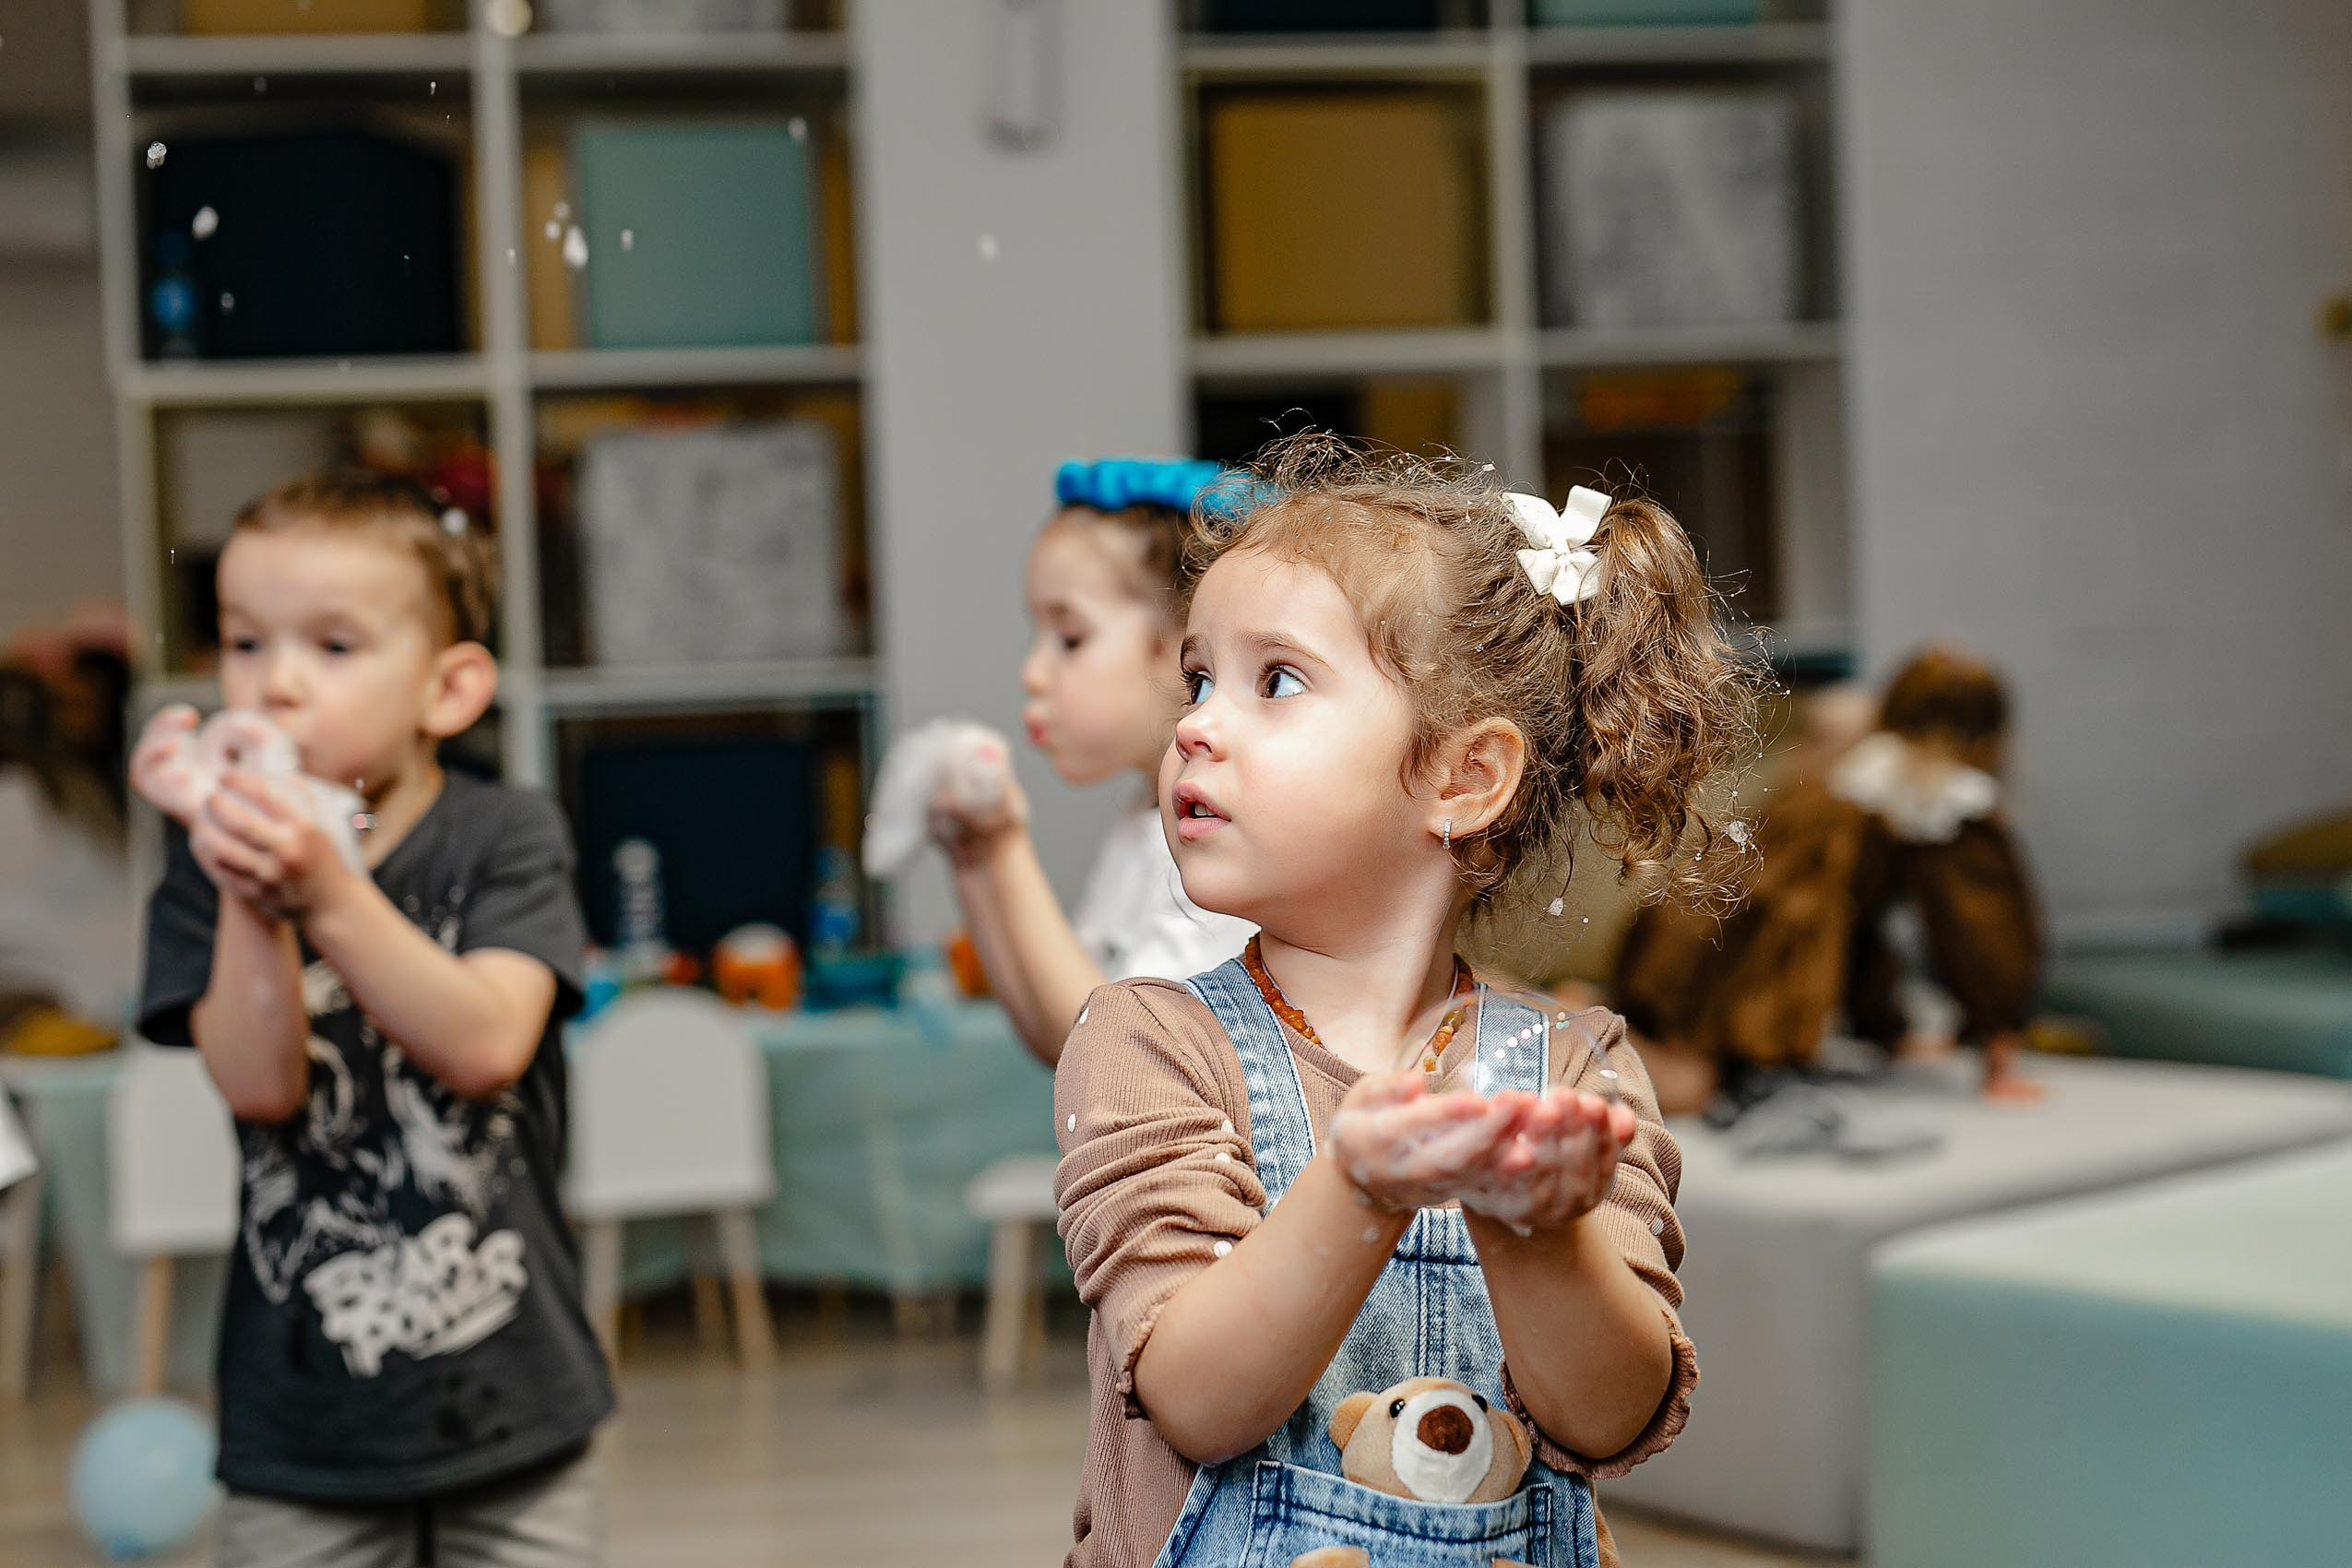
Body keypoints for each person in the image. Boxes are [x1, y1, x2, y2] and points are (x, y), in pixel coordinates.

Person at [1052, 435, 1759, 1568]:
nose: (1193, 723)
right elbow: (1194, 1395)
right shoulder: (1148, 1039)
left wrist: (1535, 1232)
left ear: (1462, 777)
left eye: (1276, 680)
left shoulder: (1574, 1069)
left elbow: (1610, 1418)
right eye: (1199, 677)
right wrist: (1359, 1188)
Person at [132, 471, 610, 1568]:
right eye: (245, 642)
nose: (275, 684)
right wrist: (247, 884)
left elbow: (486, 1045)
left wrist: (326, 894)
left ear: (448, 688)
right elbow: (261, 1084)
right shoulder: (207, 866)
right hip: (301, 1423)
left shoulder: (503, 833)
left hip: (516, 1400)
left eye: (334, 645)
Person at [1614, 644, 2044, 1112]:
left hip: (1690, 940)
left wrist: (1885, 1031)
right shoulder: (1944, 797)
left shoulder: (1851, 773)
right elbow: (1987, 937)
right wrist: (1999, 1049)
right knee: (1692, 1088)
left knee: (1683, 1065)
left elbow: (1854, 927)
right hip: (1753, 969)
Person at [925, 458, 1253, 1064]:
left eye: (1070, 638)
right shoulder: (1141, 820)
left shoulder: (1220, 842)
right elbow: (1059, 1043)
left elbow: (1111, 1055)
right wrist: (977, 864)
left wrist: (1005, 845)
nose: (1032, 673)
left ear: (1180, 646)